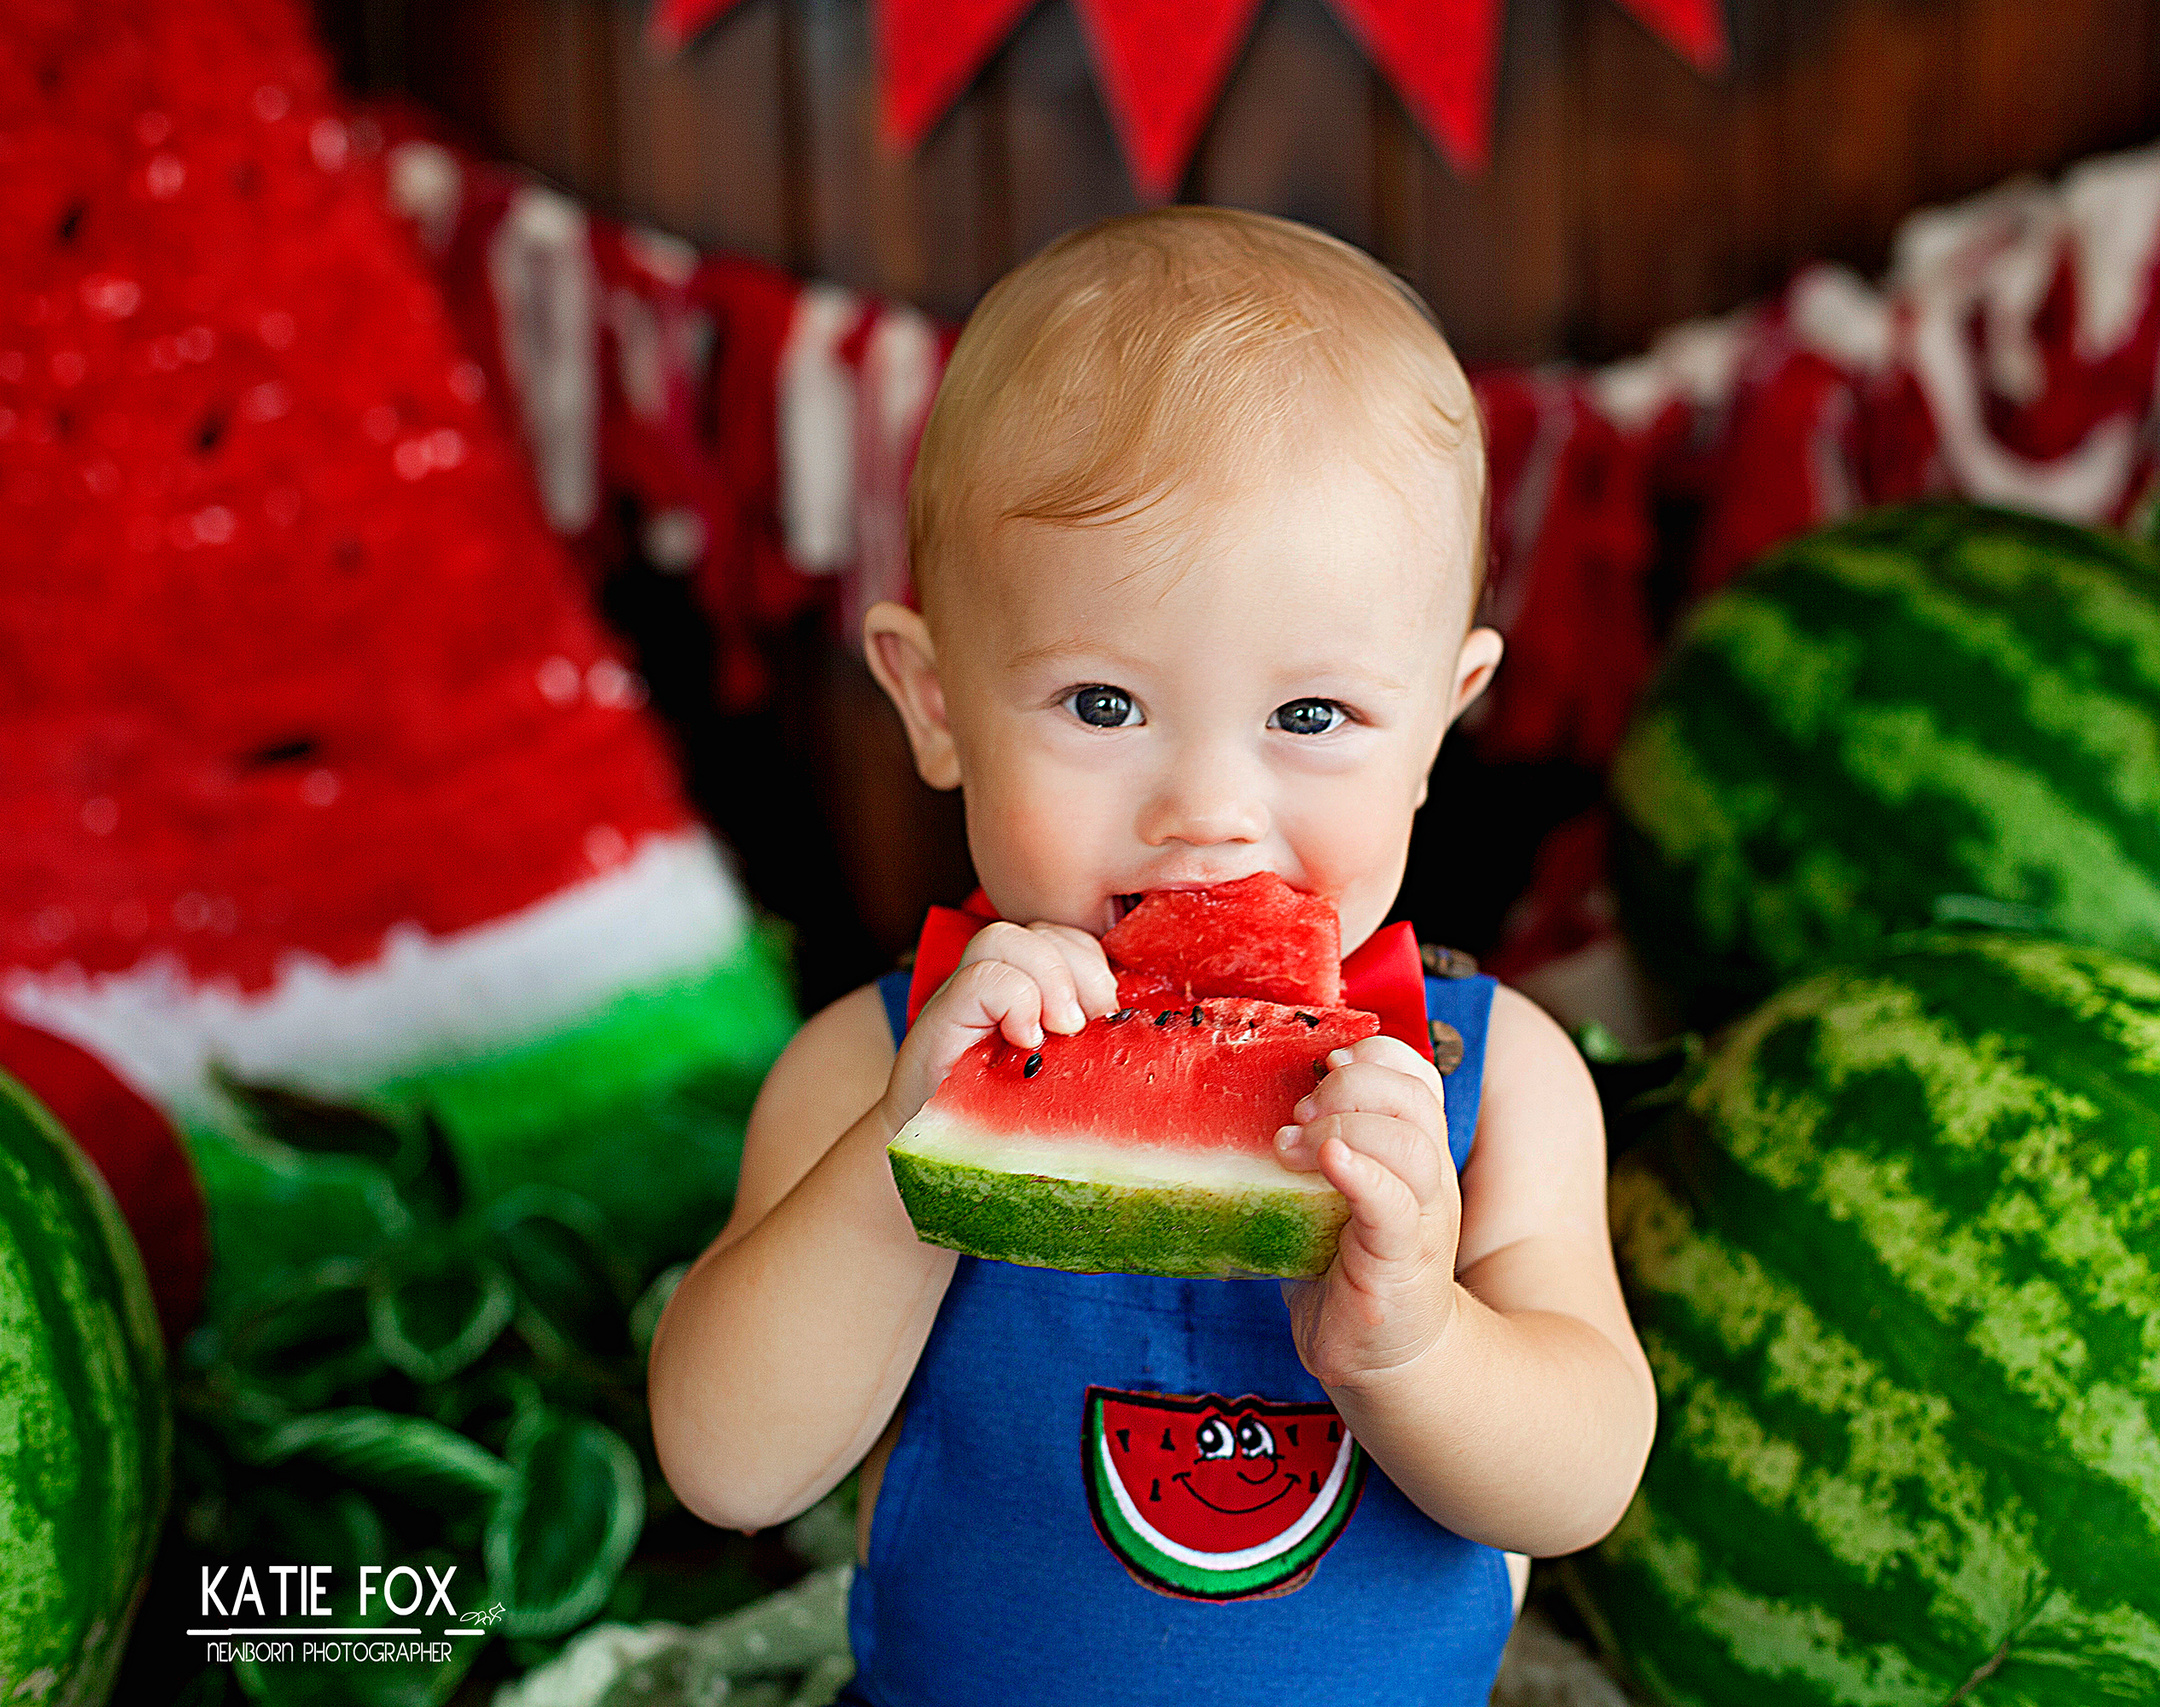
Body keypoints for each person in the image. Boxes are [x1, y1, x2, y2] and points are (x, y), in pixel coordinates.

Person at [648, 205, 1655, 1706]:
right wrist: (902, 1173)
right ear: (936, 705)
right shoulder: (875, 1058)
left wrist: (1418, 1341)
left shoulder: (1494, 1081)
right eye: (1104, 706)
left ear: (1440, 729)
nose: (1207, 814)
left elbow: (1579, 1483)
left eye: (1310, 720)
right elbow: (728, 1466)